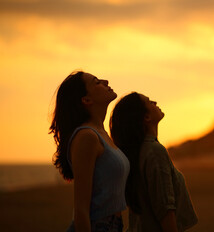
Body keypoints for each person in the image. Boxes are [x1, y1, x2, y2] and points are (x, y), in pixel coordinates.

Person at [49, 71, 130, 232]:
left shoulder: (103, 135)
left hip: (113, 225)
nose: (106, 81)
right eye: (97, 82)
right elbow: (81, 210)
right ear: (86, 100)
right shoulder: (86, 137)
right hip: (97, 226)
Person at [110, 92, 198, 232]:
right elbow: (165, 207)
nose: (155, 102)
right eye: (150, 102)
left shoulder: (137, 152)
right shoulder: (154, 151)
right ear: (146, 117)